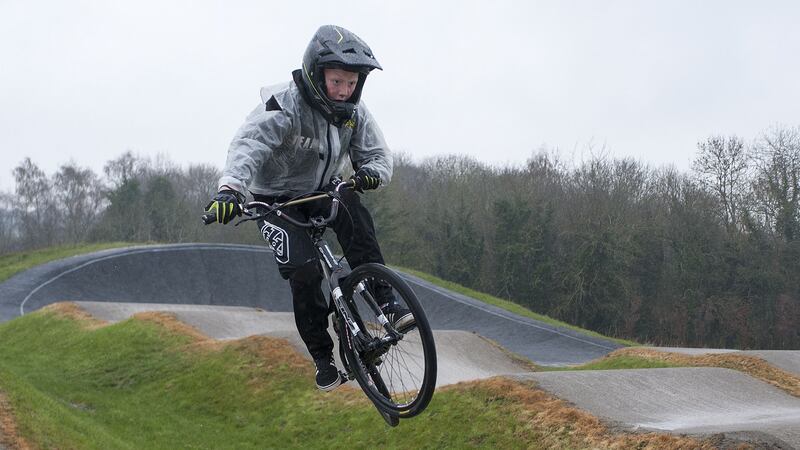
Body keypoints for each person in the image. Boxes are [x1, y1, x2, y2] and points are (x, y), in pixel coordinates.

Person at [204, 25, 413, 392]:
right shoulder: (284, 104)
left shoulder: (353, 111)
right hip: (273, 201)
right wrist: (229, 192)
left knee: (353, 208)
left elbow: (379, 155)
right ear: (317, 75)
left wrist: (369, 175)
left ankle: (387, 301)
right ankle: (323, 358)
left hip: (320, 190)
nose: (344, 90)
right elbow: (249, 144)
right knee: (304, 273)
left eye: (351, 83)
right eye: (336, 82)